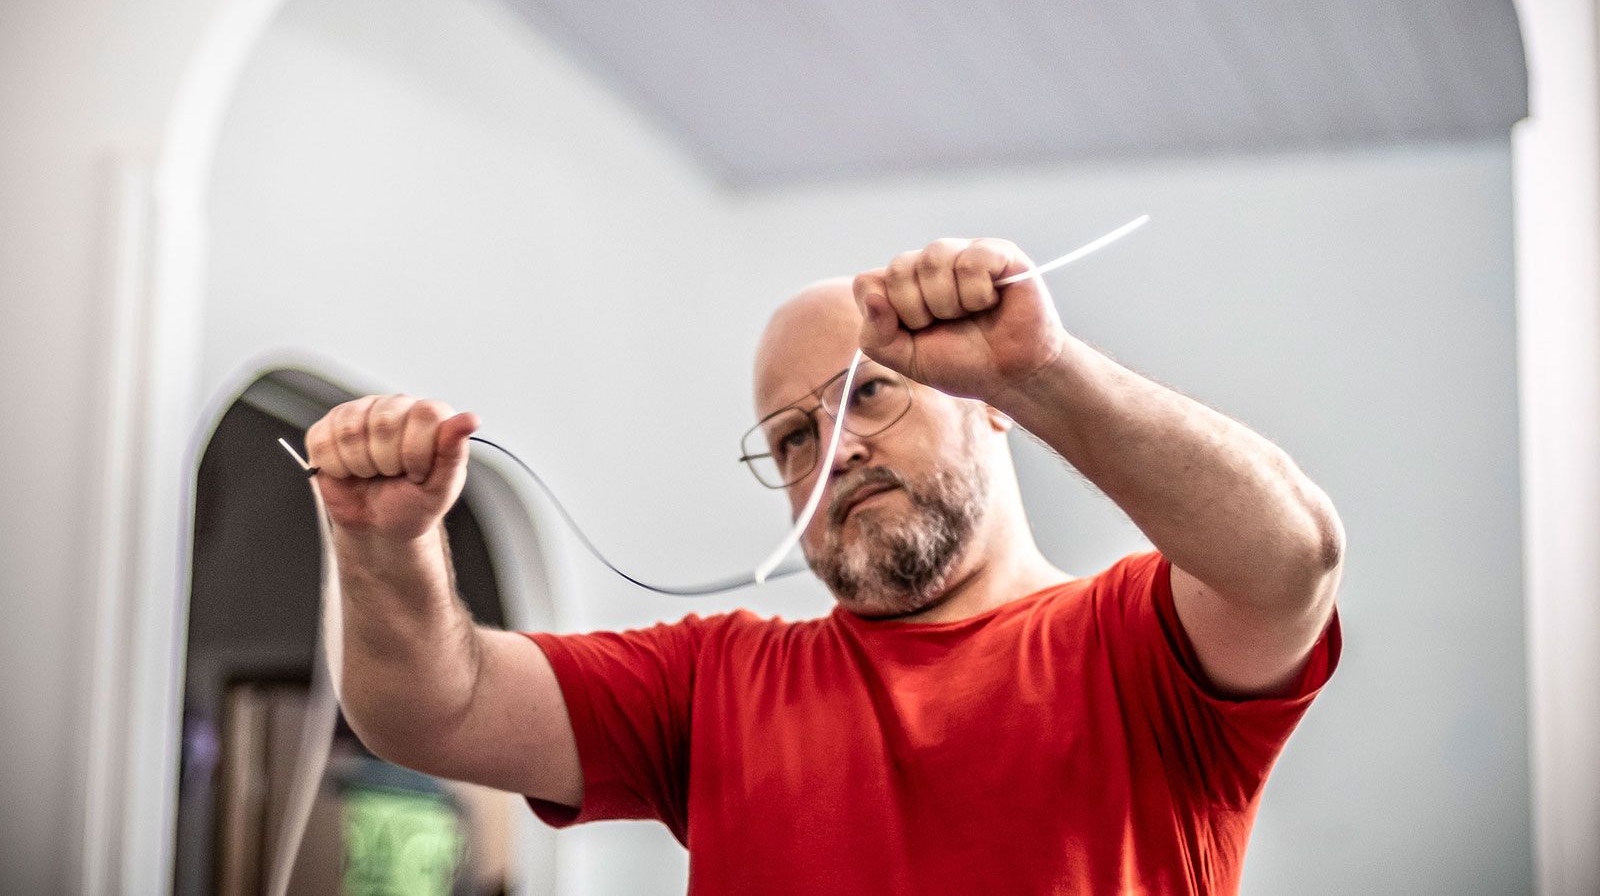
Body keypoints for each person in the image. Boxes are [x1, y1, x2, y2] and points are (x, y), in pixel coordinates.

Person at [305, 236, 1343, 895]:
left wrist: (1045, 371)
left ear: (986, 406)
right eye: (794, 437)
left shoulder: (1132, 645)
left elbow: (1290, 556)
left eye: (871, 395)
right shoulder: (713, 684)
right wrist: (381, 543)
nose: (834, 448)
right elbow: (437, 708)